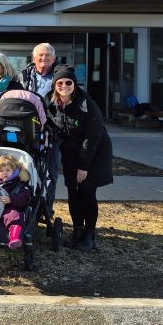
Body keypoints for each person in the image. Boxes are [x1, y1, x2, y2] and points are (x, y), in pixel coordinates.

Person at [46, 65, 113, 252]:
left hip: (94, 153)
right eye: (60, 82)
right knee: (73, 191)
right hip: (70, 153)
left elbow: (92, 139)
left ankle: (90, 234)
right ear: (55, 85)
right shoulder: (51, 104)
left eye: (68, 82)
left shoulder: (87, 105)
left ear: (74, 84)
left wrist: (83, 166)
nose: (64, 86)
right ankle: (77, 229)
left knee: (87, 191)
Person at [18, 43, 60, 216]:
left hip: (52, 130)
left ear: (54, 58)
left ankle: (45, 207)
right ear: (33, 58)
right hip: (29, 130)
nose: (44, 58)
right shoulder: (24, 76)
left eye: (47, 56)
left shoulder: (60, 76)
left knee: (49, 172)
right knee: (26, 169)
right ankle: (23, 204)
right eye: (40, 55)